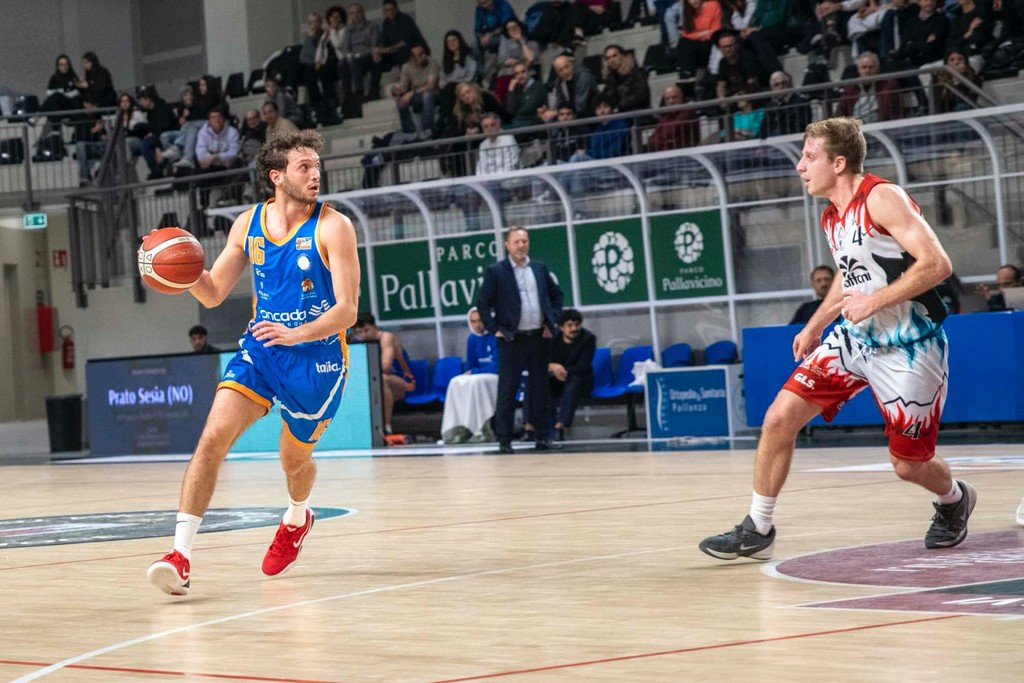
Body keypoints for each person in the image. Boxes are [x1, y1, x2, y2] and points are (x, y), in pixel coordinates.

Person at [699, 117, 976, 562]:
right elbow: (850, 278)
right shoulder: (832, 216)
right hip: (855, 339)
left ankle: (954, 499)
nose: (800, 166)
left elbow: (937, 264)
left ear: (839, 162)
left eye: (809, 157)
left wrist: (875, 301)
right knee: (778, 418)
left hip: (909, 347)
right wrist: (817, 323)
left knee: (908, 464)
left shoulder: (882, 198)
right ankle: (758, 527)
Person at [147, 129, 360, 596]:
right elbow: (213, 292)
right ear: (276, 176)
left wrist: (296, 333)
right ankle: (179, 555)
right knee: (211, 440)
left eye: (317, 166)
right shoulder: (247, 224)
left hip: (317, 362)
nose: (315, 175)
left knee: (293, 461)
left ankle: (297, 517)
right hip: (261, 352)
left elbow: (348, 311)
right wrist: (179, 270)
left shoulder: (334, 226)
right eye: (304, 167)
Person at [476, 226, 564, 454]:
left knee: (540, 389)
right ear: (507, 245)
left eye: (524, 241)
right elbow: (483, 303)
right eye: (517, 241)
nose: (521, 245)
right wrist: (495, 329)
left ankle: (543, 436)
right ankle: (504, 439)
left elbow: (556, 294)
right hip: (512, 339)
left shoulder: (539, 268)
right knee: (508, 388)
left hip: (537, 336)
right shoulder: (496, 271)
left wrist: (552, 321)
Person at [440, 307, 500, 444]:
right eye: (473, 321)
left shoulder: (496, 336)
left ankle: (483, 430)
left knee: (475, 383)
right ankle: (458, 430)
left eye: (480, 320)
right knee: (455, 382)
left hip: (496, 377)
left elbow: (498, 366)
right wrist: (471, 372)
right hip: (479, 377)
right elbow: (470, 365)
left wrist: (475, 372)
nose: (477, 325)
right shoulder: (472, 338)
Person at [351, 312, 414, 437]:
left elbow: (386, 367)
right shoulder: (356, 342)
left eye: (367, 330)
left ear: (375, 327)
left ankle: (386, 428)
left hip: (405, 383)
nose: (364, 335)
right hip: (372, 380)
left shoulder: (386, 338)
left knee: (382, 379)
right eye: (359, 332)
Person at [548, 309, 596, 441]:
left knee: (574, 381)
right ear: (561, 327)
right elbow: (543, 361)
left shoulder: (588, 339)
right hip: (555, 380)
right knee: (538, 381)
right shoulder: (552, 338)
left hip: (580, 380)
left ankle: (560, 426)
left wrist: (560, 369)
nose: (574, 328)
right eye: (570, 325)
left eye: (577, 324)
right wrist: (552, 366)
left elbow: (583, 366)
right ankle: (534, 427)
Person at [392, 43, 440, 135]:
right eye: (420, 54)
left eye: (423, 52)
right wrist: (397, 90)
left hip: (433, 93)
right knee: (401, 100)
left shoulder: (432, 63)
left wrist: (411, 93)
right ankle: (409, 131)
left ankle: (427, 129)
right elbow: (404, 87)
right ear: (412, 58)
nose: (424, 55)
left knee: (427, 95)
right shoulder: (406, 67)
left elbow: (431, 85)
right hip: (417, 94)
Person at [538, 55, 599, 122]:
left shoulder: (584, 77)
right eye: (560, 70)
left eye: (567, 67)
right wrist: (549, 113)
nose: (565, 71)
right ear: (556, 72)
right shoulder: (559, 82)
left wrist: (557, 112)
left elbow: (580, 106)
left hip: (589, 116)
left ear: (571, 64)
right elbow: (559, 103)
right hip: (570, 116)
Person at [646, 84, 700, 151]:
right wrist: (663, 141)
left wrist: (659, 142)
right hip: (666, 151)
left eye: (674, 97)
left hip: (685, 151)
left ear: (681, 97)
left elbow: (671, 132)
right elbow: (652, 139)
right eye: (667, 99)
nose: (671, 101)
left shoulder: (688, 112)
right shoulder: (666, 116)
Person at [759, 70, 812, 138]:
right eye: (776, 85)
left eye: (783, 83)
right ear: (772, 88)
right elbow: (763, 129)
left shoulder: (801, 102)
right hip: (773, 140)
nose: (781, 86)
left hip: (794, 138)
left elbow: (802, 126)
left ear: (789, 84)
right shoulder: (770, 105)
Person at [601, 45, 652, 114]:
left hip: (639, 114)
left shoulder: (637, 73)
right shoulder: (611, 79)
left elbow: (641, 95)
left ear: (622, 55)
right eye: (608, 58)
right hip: (620, 115)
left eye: (614, 56)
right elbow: (605, 97)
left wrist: (619, 106)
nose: (612, 60)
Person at [195, 106, 241, 172]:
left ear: (223, 119)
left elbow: (234, 152)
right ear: (209, 121)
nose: (217, 120)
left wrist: (216, 157)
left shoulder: (232, 131)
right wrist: (213, 159)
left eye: (219, 116)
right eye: (213, 117)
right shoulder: (203, 132)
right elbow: (201, 154)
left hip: (228, 166)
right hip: (210, 166)